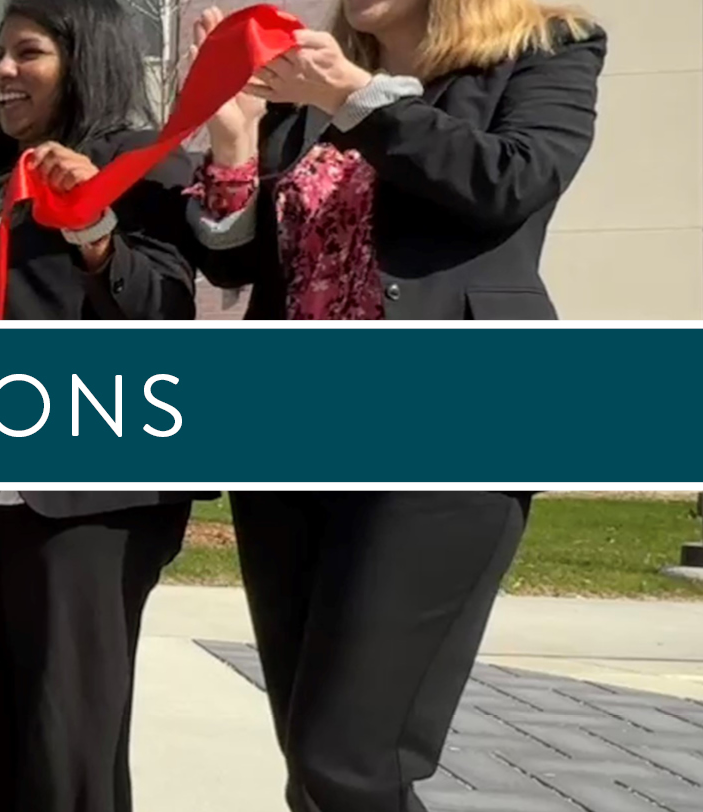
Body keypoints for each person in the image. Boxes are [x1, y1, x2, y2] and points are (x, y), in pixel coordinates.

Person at [184, 0, 603, 809]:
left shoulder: (547, 49)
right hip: (291, 445)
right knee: (313, 761)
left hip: (448, 430)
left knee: (348, 757)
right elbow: (240, 265)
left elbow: (508, 181)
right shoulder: (312, 90)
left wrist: (355, 99)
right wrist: (235, 136)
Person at [0, 3, 209, 812]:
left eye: (28, 51)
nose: (3, 70)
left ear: (84, 58)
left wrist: (96, 232)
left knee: (63, 757)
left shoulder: (140, 161)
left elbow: (166, 305)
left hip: (78, 502)